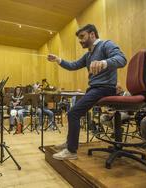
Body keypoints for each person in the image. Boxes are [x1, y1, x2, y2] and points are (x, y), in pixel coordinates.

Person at [47, 24, 127, 160]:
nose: (81, 41)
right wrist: (58, 60)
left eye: (82, 37)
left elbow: (122, 59)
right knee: (74, 112)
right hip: (95, 89)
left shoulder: (106, 44)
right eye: (79, 39)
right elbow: (73, 65)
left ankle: (71, 151)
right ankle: (69, 143)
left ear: (92, 34)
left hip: (105, 88)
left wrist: (104, 62)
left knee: (73, 113)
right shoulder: (88, 54)